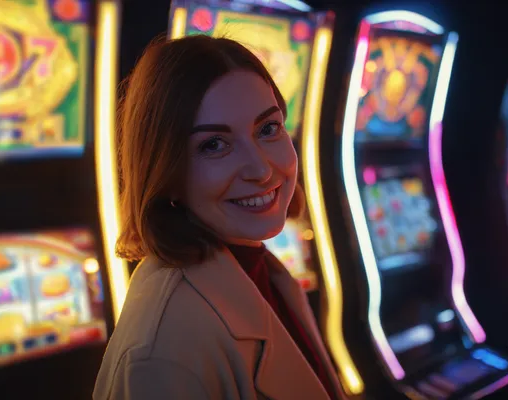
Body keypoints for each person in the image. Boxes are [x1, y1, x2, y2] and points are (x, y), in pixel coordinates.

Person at [93, 35, 345, 400]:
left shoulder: (259, 268)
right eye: (214, 144)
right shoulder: (163, 352)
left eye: (268, 129)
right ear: (165, 169)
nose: (260, 169)